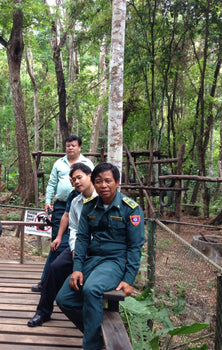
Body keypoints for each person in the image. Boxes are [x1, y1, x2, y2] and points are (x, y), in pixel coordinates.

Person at [55, 163, 145, 350]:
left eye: (108, 181)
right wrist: (77, 268)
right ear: (93, 184)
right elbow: (81, 238)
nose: (103, 185)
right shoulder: (89, 207)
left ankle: (91, 346)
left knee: (92, 289)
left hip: (114, 261)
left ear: (117, 182)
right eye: (98, 181)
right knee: (64, 299)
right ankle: (95, 334)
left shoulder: (130, 209)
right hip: (92, 259)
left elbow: (136, 247)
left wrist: (129, 279)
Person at [27, 162, 94, 327]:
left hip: (96, 250)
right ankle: (43, 312)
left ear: (90, 176)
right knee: (55, 267)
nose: (76, 182)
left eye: (79, 177)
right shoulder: (75, 199)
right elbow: (73, 227)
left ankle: (90, 318)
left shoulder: (102, 197)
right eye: (73, 180)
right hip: (78, 246)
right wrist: (72, 248)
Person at [37, 135, 95, 291]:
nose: (70, 148)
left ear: (79, 147)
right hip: (62, 206)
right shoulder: (58, 163)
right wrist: (48, 200)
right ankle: (46, 281)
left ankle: (68, 281)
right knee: (58, 243)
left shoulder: (87, 164)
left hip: (84, 206)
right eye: (68, 145)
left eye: (73, 145)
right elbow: (51, 184)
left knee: (79, 243)